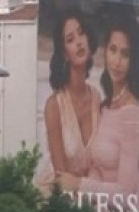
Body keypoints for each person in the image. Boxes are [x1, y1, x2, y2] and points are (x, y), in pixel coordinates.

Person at [57, 7, 139, 212]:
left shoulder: (132, 112)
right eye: (113, 50)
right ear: (104, 52)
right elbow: (98, 168)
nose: (117, 61)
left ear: (133, 60)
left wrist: (79, 185)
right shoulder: (105, 106)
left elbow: (125, 193)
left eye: (125, 54)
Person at [34, 6, 101, 195]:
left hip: (91, 195)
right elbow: (61, 176)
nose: (79, 43)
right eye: (71, 40)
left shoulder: (97, 98)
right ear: (64, 52)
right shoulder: (54, 106)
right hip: (58, 198)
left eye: (81, 34)